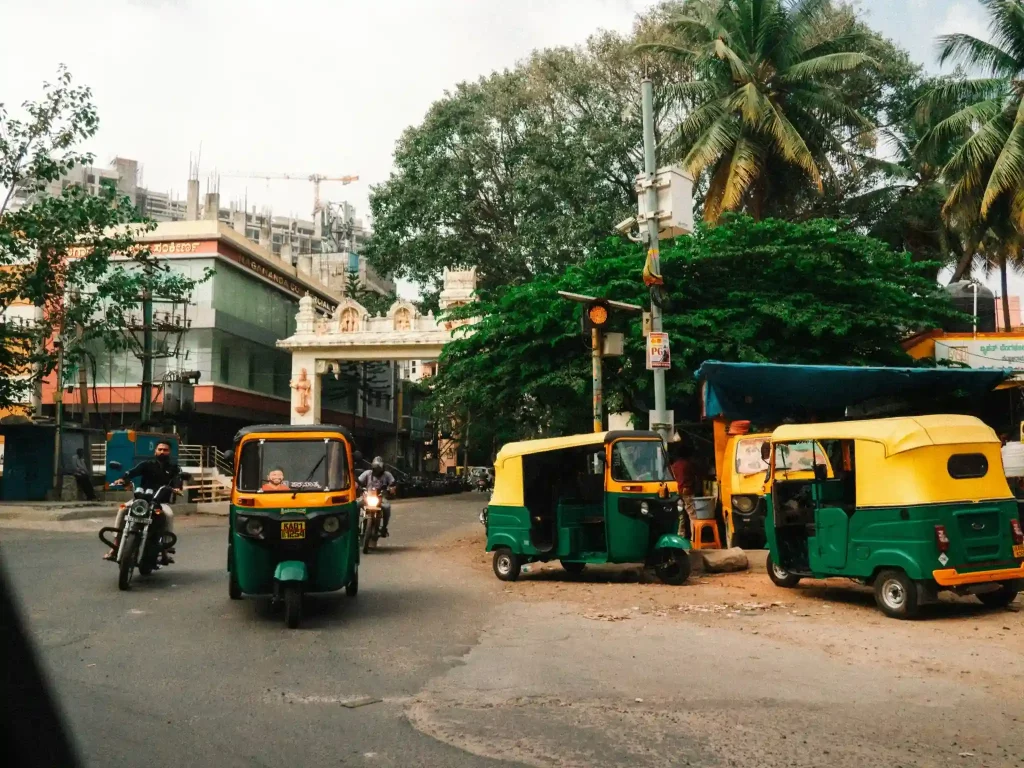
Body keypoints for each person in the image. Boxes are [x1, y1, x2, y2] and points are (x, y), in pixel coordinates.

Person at [104, 441, 180, 563]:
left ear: (169, 452)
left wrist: (176, 488)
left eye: (165, 450)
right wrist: (123, 479)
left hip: (161, 501)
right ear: (155, 451)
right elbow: (133, 472)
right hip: (142, 499)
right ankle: (115, 545)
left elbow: (177, 479)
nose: (162, 452)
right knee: (123, 509)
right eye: (160, 449)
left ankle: (166, 547)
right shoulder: (147, 464)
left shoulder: (174, 468)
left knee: (169, 515)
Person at [357, 456, 395, 537]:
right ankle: (355, 526)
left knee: (387, 507)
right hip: (367, 496)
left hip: (380, 497)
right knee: (355, 505)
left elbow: (393, 484)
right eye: (375, 468)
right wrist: (357, 486)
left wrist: (391, 489)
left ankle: (384, 528)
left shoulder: (387, 475)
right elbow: (358, 481)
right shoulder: (367, 473)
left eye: (379, 469)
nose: (377, 471)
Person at [669, 443, 697, 537]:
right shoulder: (689, 464)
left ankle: (681, 535)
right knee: (692, 515)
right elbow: (694, 477)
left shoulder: (674, 466)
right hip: (688, 491)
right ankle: (694, 537)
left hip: (678, 491)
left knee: (680, 515)